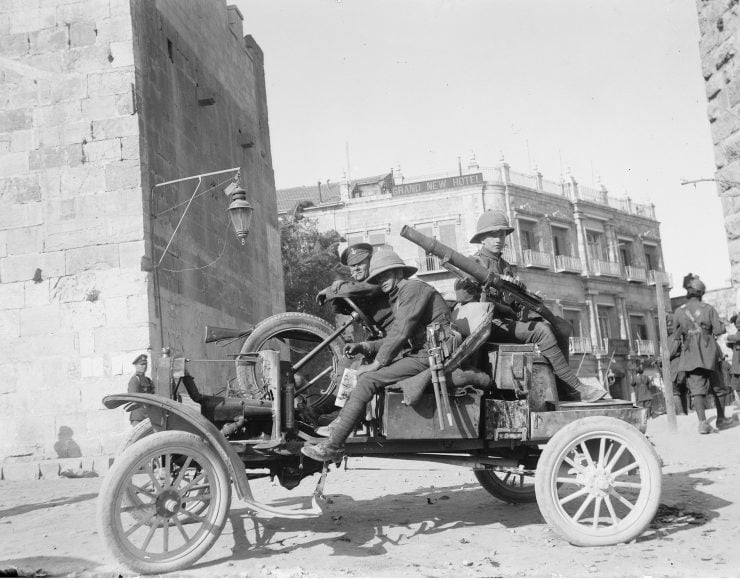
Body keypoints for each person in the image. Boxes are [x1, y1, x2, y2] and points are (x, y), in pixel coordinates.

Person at [302, 251, 452, 462]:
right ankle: (338, 421)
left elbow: (400, 332)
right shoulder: (399, 295)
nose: (382, 281)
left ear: (399, 272)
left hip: (431, 355)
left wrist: (375, 365)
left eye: (386, 275)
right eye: (378, 278)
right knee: (360, 372)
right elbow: (396, 335)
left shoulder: (413, 288)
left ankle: (334, 446)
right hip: (421, 353)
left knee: (367, 379)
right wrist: (365, 346)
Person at [456, 210, 607, 403]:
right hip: (486, 325)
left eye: (502, 234)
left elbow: (513, 300)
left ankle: (564, 389)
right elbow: (462, 296)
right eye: (493, 234)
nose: (498, 239)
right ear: (482, 239)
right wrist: (475, 287)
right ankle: (575, 387)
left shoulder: (505, 265)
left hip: (506, 321)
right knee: (542, 331)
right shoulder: (474, 263)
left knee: (560, 329)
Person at [672, 273, 729, 433]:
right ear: (701, 293)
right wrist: (721, 326)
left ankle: (702, 423)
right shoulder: (708, 309)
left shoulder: (679, 311)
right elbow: (718, 330)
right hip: (708, 351)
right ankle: (721, 419)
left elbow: (676, 335)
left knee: (697, 390)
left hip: (690, 354)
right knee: (718, 386)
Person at [666, 312, 688, 415]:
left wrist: (661, 359)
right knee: (681, 392)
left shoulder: (676, 336)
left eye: (671, 324)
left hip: (676, 367)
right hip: (679, 366)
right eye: (668, 324)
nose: (669, 326)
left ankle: (681, 412)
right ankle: (684, 412)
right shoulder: (675, 335)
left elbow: (671, 352)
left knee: (675, 391)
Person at [127, 354, 153, 425]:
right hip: (138, 417)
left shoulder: (148, 380)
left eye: (145, 364)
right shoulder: (135, 380)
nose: (144, 366)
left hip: (149, 415)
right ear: (136, 366)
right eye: (141, 364)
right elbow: (133, 398)